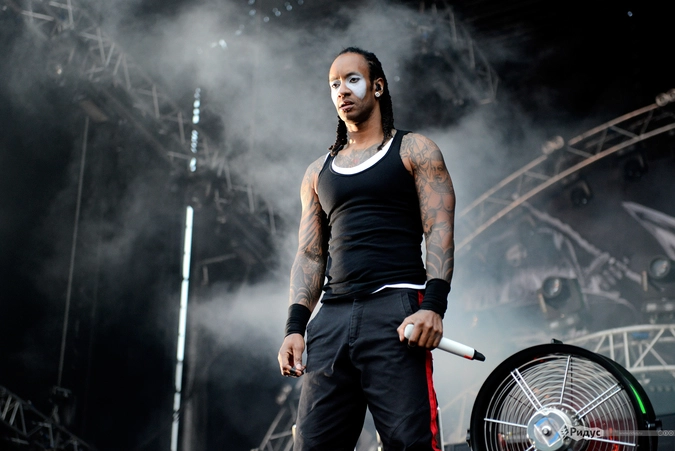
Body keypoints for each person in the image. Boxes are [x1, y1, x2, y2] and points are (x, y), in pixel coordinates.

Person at [278, 47, 456, 451]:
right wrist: (295, 328)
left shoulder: (415, 150)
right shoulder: (317, 172)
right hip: (331, 318)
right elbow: (309, 254)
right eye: (334, 85)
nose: (342, 90)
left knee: (410, 443)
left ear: (377, 87)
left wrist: (433, 305)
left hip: (396, 310)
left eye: (352, 80)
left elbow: (439, 228)